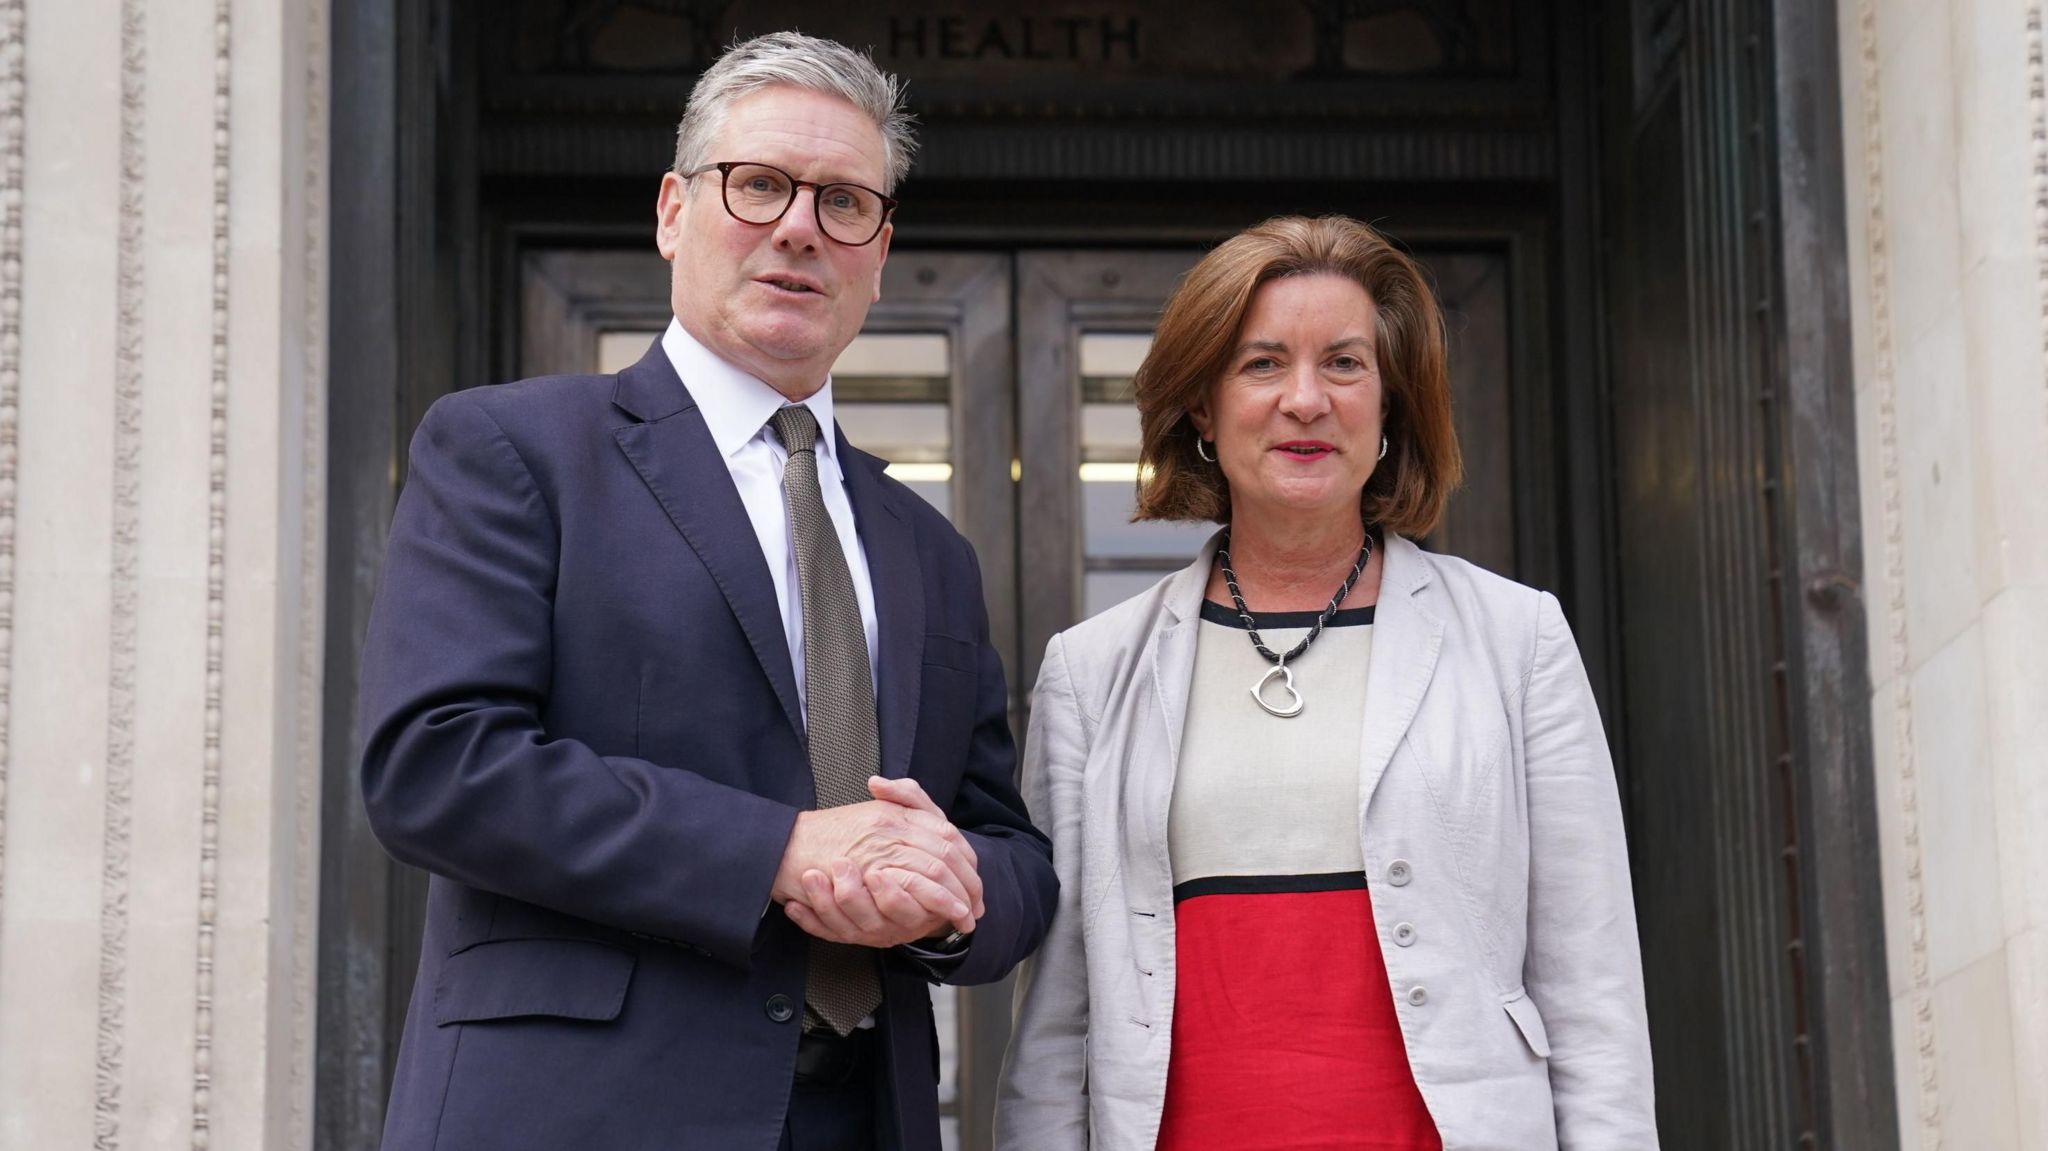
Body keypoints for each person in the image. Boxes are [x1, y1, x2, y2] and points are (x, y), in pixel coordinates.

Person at [358, 31, 1055, 1151]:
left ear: (879, 254)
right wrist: (780, 849)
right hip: (575, 1112)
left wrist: (949, 890)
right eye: (761, 184)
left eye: (842, 201)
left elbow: (1009, 848)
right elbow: (433, 761)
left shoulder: (928, 547)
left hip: (859, 1112)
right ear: (673, 211)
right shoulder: (513, 448)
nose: (797, 226)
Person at [995, 216, 1656, 1150]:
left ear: (1389, 407)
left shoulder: (1519, 640)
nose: (1305, 400)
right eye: (1262, 364)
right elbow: (1057, 1023)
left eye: (1344, 364)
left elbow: (1591, 991)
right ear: (1201, 407)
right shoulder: (1092, 672)